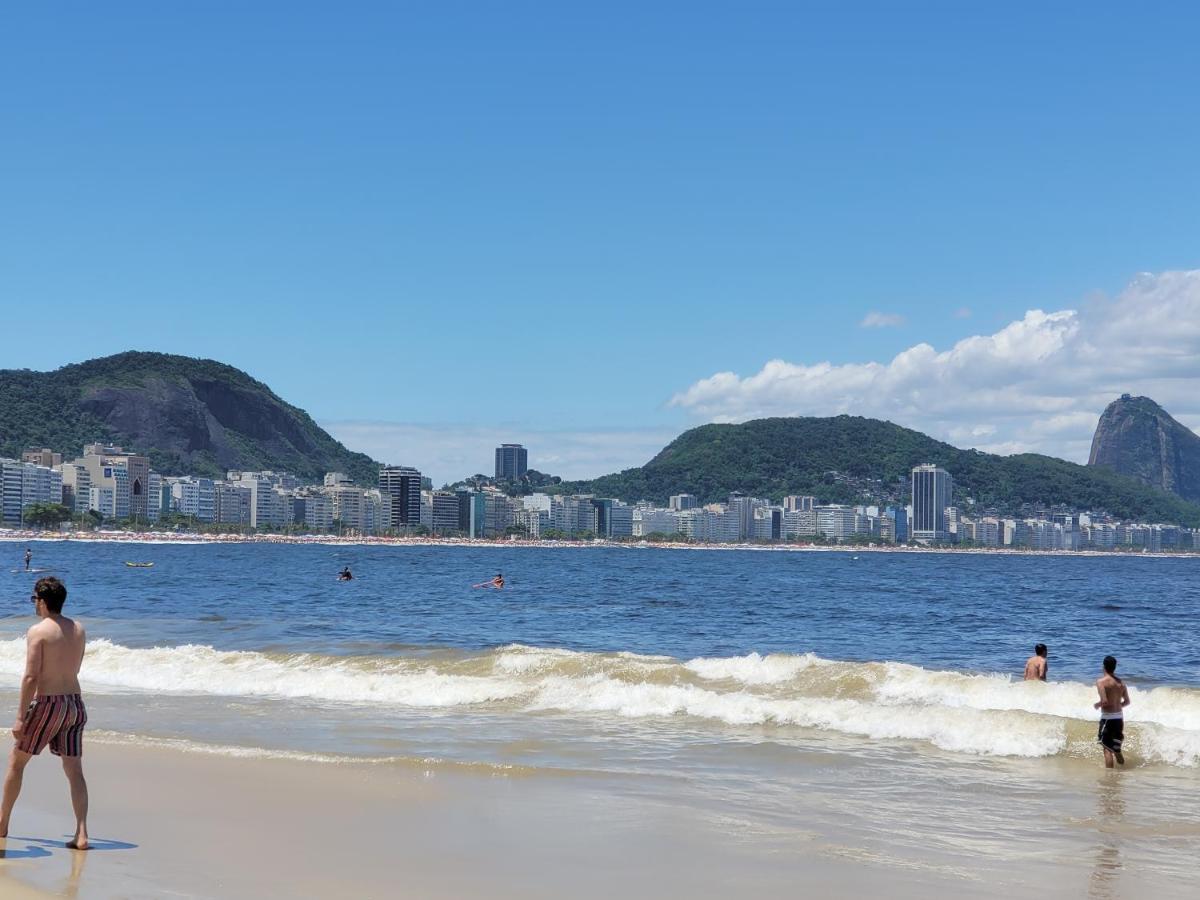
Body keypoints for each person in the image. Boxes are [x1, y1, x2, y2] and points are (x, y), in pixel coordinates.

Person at [0, 577, 89, 849]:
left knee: (17, 762)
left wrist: (19, 717)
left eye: (34, 600)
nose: (34, 605)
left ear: (42, 600)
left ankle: (2, 825)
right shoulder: (78, 629)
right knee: (74, 769)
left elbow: (30, 677)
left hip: (49, 704)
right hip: (75, 704)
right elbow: (74, 667)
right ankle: (82, 833)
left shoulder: (38, 631)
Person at [1094, 655, 1130, 769]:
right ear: (1115, 667)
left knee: (1106, 749)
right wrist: (1117, 706)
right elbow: (1127, 702)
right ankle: (1117, 750)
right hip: (1119, 718)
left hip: (1107, 719)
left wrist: (1097, 705)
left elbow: (1104, 701)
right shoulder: (1121, 683)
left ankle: (1109, 777)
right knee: (1114, 745)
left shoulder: (1101, 682)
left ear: (1103, 666)